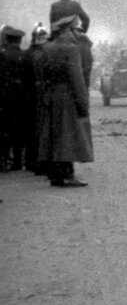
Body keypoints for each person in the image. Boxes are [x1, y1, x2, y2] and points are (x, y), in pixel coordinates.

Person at [33, 19, 93, 187]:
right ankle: (67, 175)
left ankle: (55, 175)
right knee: (67, 136)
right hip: (67, 96)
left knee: (53, 135)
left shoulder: (47, 48)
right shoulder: (71, 49)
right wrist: (83, 103)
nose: (78, 34)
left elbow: (42, 75)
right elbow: (77, 79)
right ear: (68, 30)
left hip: (51, 95)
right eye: (76, 31)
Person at [0, 25, 30, 172]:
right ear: (19, 40)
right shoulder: (26, 56)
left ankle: (4, 160)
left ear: (7, 40)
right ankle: (19, 161)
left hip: (6, 96)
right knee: (20, 129)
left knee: (5, 128)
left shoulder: (2, 55)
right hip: (23, 97)